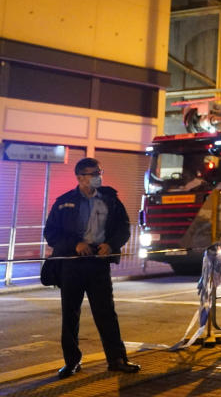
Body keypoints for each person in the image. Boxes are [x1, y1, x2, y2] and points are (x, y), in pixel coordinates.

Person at [43, 158, 140, 379]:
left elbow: (124, 227)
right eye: (93, 173)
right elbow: (50, 233)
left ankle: (116, 360)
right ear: (80, 177)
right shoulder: (64, 202)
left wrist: (112, 245)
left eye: (100, 171)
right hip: (72, 264)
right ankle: (72, 362)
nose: (98, 176)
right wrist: (74, 244)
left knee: (106, 313)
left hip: (98, 263)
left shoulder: (110, 199)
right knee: (70, 315)